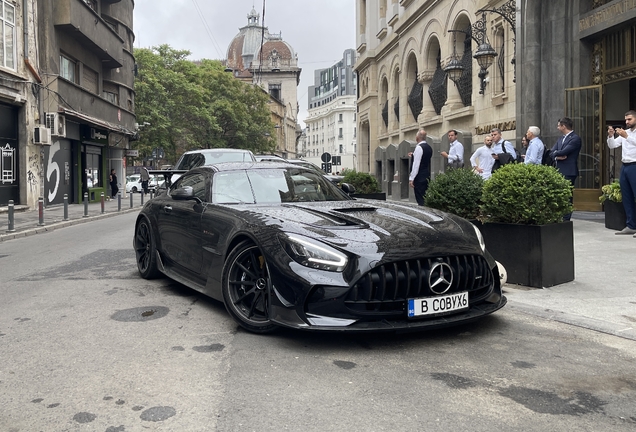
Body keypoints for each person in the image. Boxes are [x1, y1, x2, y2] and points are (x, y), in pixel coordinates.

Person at [607, 110, 636, 236]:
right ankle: (631, 225)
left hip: (635, 165)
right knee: (627, 196)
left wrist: (627, 137)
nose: (627, 122)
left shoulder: (627, 135)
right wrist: (610, 136)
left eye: (629, 119)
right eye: (625, 120)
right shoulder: (626, 133)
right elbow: (612, 146)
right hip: (625, 166)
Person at [551, 117, 582, 221]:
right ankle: (559, 215)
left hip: (569, 171)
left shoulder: (575, 138)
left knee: (567, 196)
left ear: (563, 126)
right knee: (559, 194)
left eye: (559, 125)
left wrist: (557, 153)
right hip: (559, 170)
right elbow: (551, 152)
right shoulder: (560, 138)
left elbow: (564, 152)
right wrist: (556, 156)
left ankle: (566, 218)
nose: (557, 127)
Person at [409, 129, 433, 206]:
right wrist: (413, 155)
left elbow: (416, 164)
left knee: (420, 199)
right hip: (426, 174)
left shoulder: (419, 147)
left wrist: (412, 178)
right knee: (425, 196)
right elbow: (424, 158)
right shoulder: (429, 147)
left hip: (419, 176)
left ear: (417, 138)